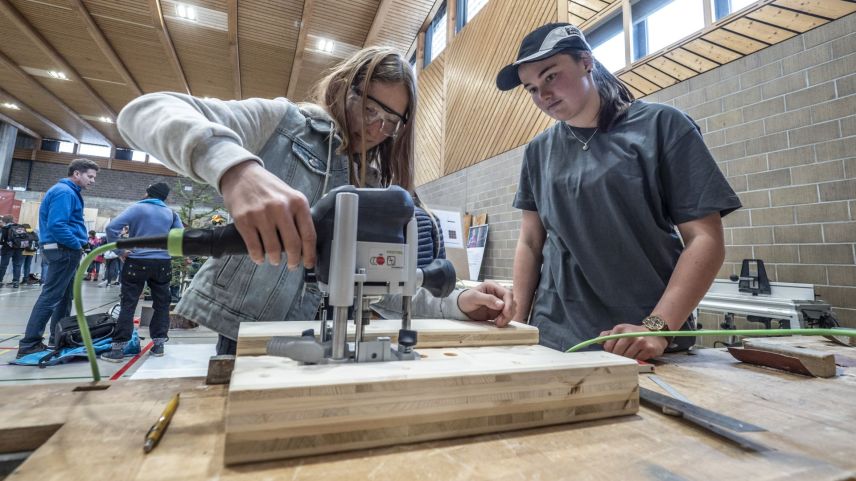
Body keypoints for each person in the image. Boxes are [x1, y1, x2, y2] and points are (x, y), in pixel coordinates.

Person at [117, 47, 515, 356]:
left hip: (327, 343)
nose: (376, 128)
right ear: (343, 86)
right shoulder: (282, 124)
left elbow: (384, 282)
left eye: (391, 122)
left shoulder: (373, 184)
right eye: (369, 108)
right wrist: (236, 169)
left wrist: (458, 301)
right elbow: (144, 111)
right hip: (247, 340)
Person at [495, 24, 741, 360]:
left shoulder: (662, 126)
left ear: (586, 62)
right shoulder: (538, 151)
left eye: (550, 76)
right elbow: (530, 242)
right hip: (555, 339)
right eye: (532, 89)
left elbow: (705, 239)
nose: (544, 95)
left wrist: (657, 327)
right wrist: (517, 327)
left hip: (642, 340)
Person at [16, 158, 99, 358]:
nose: (93, 180)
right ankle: (30, 343)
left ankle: (58, 337)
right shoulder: (64, 192)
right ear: (76, 173)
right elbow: (57, 225)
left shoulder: (68, 192)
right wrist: (77, 244)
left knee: (64, 297)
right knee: (51, 296)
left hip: (65, 249)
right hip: (63, 250)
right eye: (90, 176)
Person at [103, 182, 184, 360]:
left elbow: (111, 228)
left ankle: (118, 349)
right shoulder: (171, 214)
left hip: (137, 261)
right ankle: (158, 345)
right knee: (161, 304)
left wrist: (120, 251)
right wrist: (166, 252)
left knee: (128, 304)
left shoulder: (137, 208)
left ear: (148, 193)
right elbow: (180, 237)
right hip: (162, 263)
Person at [0, 215, 27, 288]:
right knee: (17, 265)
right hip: (19, 249)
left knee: (3, 266)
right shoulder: (20, 227)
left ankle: (0, 281)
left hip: (7, 249)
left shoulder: (5, 228)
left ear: (5, 221)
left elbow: (1, 240)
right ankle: (16, 282)